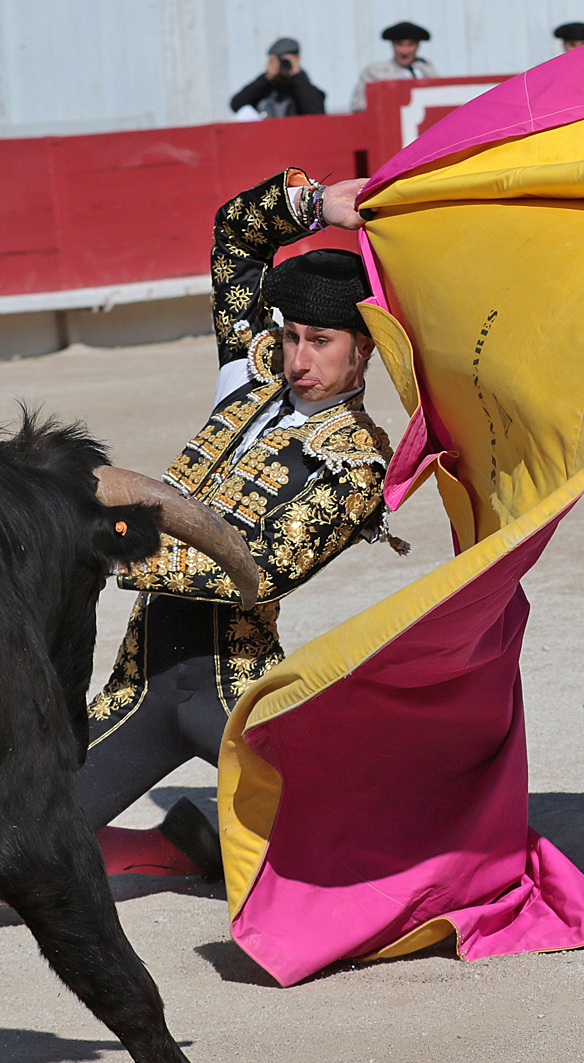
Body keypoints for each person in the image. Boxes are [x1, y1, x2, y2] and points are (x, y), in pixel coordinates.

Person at [77, 169, 402, 878]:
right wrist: (316, 206)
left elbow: (254, 567)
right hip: (144, 683)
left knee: (344, 864)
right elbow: (235, 239)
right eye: (290, 337)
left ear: (364, 350)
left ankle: (210, 847)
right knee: (12, 849)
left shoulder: (357, 465)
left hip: (236, 693)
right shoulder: (252, 376)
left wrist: (103, 543)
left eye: (321, 341)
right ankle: (175, 849)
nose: (298, 359)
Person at [230, 37, 326, 119]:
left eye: (285, 61)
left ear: (297, 58)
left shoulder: (304, 89)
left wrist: (297, 75)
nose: (281, 66)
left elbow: (316, 113)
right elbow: (236, 105)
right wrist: (266, 78)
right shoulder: (265, 88)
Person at [351, 21, 438, 111]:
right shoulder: (375, 73)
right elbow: (358, 106)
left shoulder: (427, 70)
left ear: (417, 46)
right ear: (392, 45)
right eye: (400, 44)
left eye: (410, 45)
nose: (405, 51)